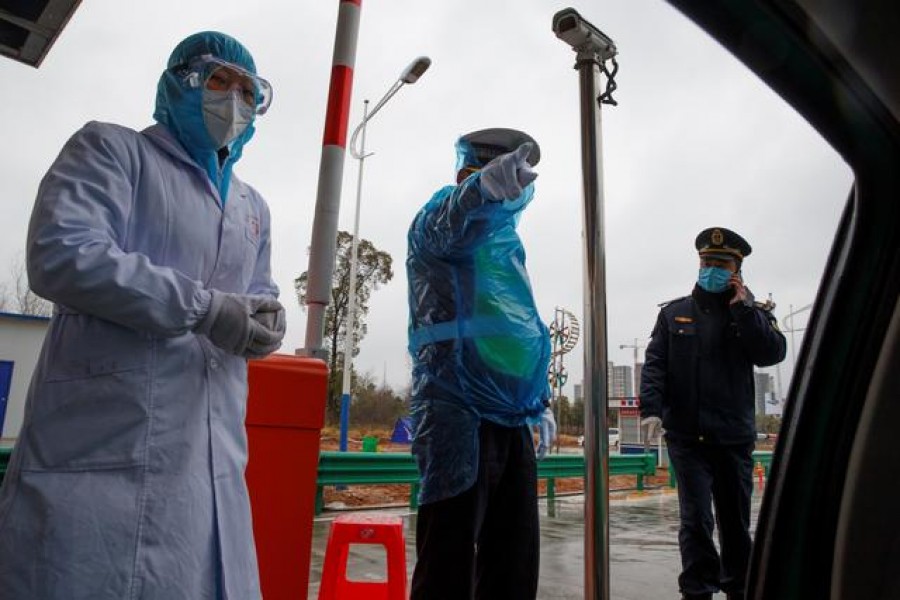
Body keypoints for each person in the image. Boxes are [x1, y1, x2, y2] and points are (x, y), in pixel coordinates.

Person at [0, 32, 284, 599]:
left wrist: (265, 322)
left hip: (212, 465)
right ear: (179, 83)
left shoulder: (252, 206)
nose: (234, 101)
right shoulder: (113, 151)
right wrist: (203, 309)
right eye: (218, 82)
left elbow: (257, 292)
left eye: (248, 92)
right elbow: (62, 253)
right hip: (101, 457)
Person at [406, 128, 555, 599]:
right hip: (458, 414)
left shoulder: (508, 245)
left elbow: (512, 329)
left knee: (513, 564)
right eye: (481, 171)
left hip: (512, 417)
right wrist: (478, 192)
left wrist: (539, 399)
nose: (500, 183)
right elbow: (455, 223)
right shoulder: (437, 219)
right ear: (462, 175)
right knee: (447, 568)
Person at [639, 227, 787, 600]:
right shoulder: (675, 314)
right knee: (696, 521)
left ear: (737, 269)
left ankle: (741, 587)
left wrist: (744, 310)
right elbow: (655, 363)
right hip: (688, 438)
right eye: (707, 262)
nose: (711, 269)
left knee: (735, 523)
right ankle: (698, 590)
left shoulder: (752, 313)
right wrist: (650, 410)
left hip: (733, 438)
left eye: (721, 264)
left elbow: (771, 354)